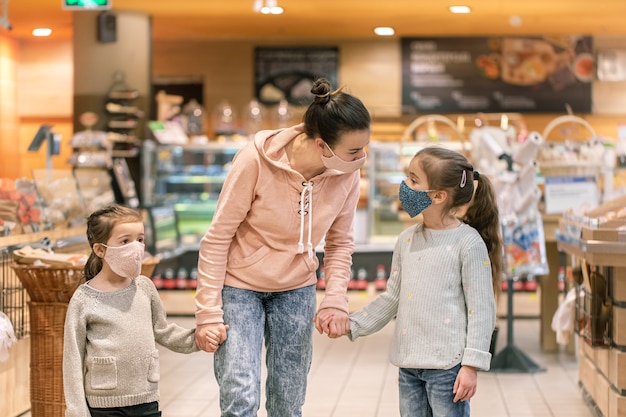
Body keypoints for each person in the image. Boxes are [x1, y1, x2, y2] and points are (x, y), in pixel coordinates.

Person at [194, 77, 371, 417]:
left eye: (364, 147)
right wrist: (207, 314)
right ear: (321, 145)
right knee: (240, 395)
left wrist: (335, 298)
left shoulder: (346, 172)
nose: (361, 158)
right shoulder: (254, 161)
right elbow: (217, 238)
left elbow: (339, 242)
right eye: (353, 151)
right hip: (239, 287)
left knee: (288, 402)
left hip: (297, 289)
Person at [346, 146, 502, 417]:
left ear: (439, 196)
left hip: (448, 368)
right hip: (409, 366)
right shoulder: (406, 240)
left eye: (413, 180)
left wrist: (472, 365)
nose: (404, 186)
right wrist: (353, 324)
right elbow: (391, 299)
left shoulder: (468, 243)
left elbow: (482, 309)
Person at [63, 204, 219, 417]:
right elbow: (72, 358)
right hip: (104, 406)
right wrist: (76, 410)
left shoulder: (145, 287)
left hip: (146, 399)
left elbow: (163, 331)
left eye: (140, 239)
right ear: (100, 250)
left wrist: (198, 340)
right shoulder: (84, 299)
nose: (136, 247)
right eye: (125, 241)